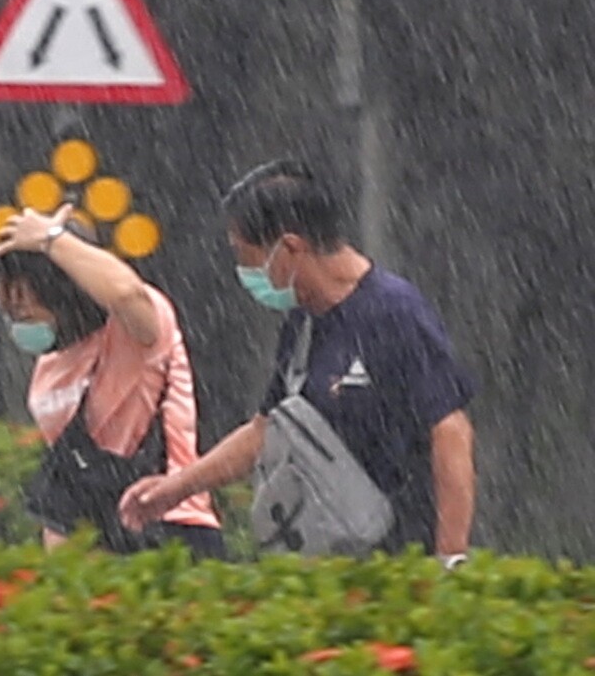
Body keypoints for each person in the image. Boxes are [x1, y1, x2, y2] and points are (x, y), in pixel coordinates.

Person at [119, 160, 475, 565]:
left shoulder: (394, 313)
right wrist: (175, 488)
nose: (243, 272)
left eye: (245, 255)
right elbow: (265, 429)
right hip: (329, 561)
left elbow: (450, 431)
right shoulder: (303, 322)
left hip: (401, 563)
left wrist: (449, 558)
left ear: (289, 248)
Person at [0, 202, 224, 558]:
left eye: (25, 302)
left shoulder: (134, 333)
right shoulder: (47, 368)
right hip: (97, 547)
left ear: (62, 291)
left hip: (170, 529)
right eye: (9, 309)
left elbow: (125, 292)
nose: (18, 317)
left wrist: (50, 240)